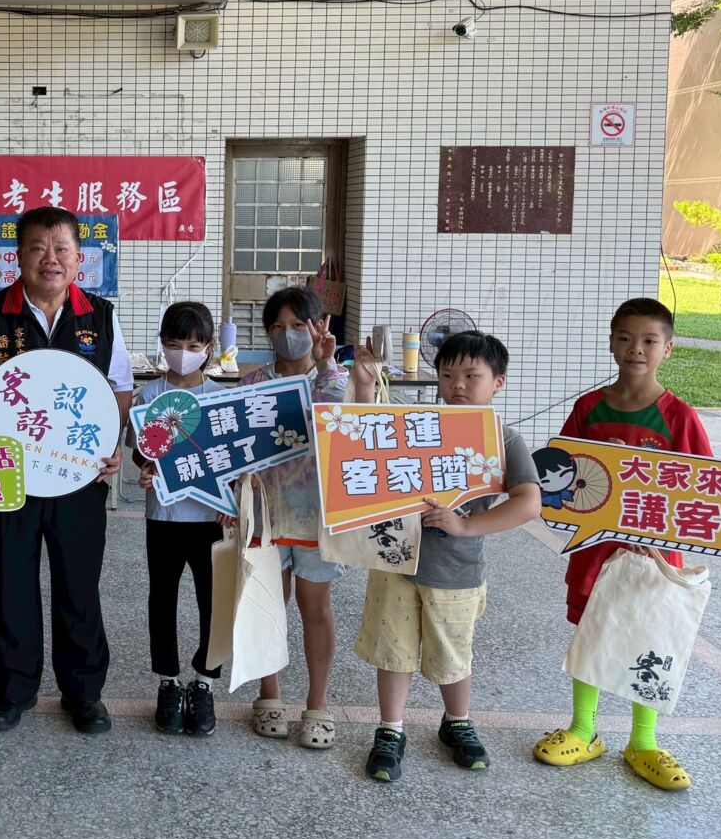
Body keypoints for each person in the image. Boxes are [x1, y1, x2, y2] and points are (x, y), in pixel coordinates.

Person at [0, 206, 134, 736]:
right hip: (8, 478)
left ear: (80, 259)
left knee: (80, 585)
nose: (49, 259)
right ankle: (13, 690)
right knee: (10, 583)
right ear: (19, 256)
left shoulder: (100, 315)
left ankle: (84, 693)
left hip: (78, 477)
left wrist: (108, 441)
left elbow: (118, 389)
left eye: (61, 249)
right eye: (37, 248)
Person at [532, 298, 710, 792]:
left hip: (654, 557)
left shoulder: (680, 417)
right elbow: (560, 476)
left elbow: (709, 490)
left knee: (651, 639)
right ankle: (584, 730)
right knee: (592, 632)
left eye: (650, 340)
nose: (637, 349)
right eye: (626, 338)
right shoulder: (588, 408)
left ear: (668, 349)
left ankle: (644, 742)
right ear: (612, 342)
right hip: (596, 552)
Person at [353, 331, 541, 783]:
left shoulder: (504, 439)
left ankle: (457, 720)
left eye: (472, 376)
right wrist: (363, 386)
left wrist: (466, 525)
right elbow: (360, 438)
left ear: (499, 382)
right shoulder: (417, 425)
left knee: (453, 652)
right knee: (393, 651)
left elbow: (529, 502)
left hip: (457, 571)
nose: (458, 384)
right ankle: (390, 728)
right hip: (396, 561)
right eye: (448, 374)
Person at [239, 286, 355, 747]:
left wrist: (327, 364)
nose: (287, 334)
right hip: (265, 513)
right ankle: (269, 696)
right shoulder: (251, 382)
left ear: (317, 326)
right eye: (277, 326)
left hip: (315, 515)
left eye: (297, 325)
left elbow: (333, 423)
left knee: (315, 607)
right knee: (270, 604)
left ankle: (318, 704)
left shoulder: (333, 378)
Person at [129, 301, 224, 737]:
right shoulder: (149, 395)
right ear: (162, 344)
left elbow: (232, 460)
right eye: (173, 344)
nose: (182, 352)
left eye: (192, 344)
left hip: (210, 518)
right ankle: (168, 682)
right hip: (163, 516)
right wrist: (145, 469)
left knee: (213, 602)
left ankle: (204, 683)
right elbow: (140, 451)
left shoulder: (222, 397)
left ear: (208, 347)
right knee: (161, 598)